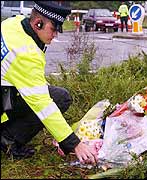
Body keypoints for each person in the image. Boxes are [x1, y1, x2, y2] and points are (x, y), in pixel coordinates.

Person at [1, 1, 98, 165]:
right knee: (58, 99)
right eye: (53, 29)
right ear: (38, 23)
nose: (55, 35)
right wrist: (74, 143)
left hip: (6, 92)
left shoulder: (13, 23)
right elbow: (43, 105)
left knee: (57, 95)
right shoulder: (26, 54)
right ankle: (8, 140)